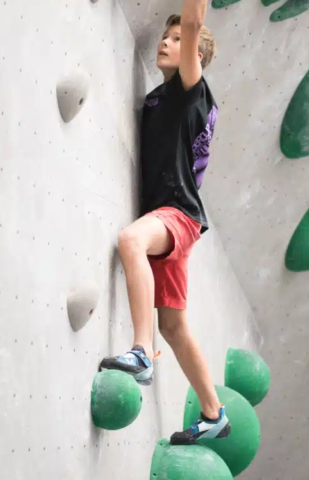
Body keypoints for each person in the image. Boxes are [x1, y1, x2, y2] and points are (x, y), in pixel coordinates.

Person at [100, 0, 230, 446]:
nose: (166, 42)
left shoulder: (189, 90)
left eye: (177, 40)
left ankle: (141, 352)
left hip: (177, 215)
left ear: (195, 56)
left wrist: (188, 25)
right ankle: (214, 415)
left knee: (131, 241)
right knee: (173, 326)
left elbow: (193, 21)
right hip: (174, 220)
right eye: (165, 36)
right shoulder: (160, 98)